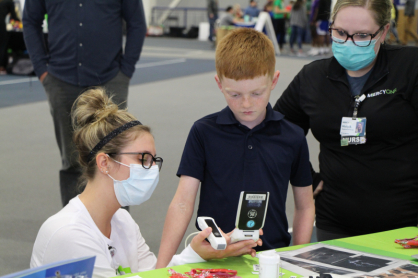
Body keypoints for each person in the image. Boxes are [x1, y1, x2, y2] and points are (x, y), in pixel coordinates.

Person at [30, 88, 261, 278]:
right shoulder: (70, 234)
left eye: (153, 160)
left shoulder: (121, 220)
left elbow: (154, 274)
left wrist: (197, 253)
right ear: (104, 163)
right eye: (143, 159)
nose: (151, 169)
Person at [157, 28, 315, 268]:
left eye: (257, 92)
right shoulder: (203, 132)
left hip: (272, 258)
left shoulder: (292, 136)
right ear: (219, 84)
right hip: (212, 257)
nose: (247, 103)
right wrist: (161, 267)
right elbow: (182, 202)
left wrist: (300, 260)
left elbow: (304, 206)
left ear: (274, 80)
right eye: (234, 94)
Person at [274, 0, 418, 241]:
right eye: (340, 33)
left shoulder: (410, 67)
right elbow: (277, 132)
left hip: (406, 228)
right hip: (335, 222)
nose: (348, 42)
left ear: (383, 32)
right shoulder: (313, 77)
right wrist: (306, 177)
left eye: (362, 35)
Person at [22, 0, 147, 207]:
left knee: (115, 158)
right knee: (72, 161)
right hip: (61, 81)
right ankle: (74, 230)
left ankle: (117, 232)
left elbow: (137, 23)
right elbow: (30, 20)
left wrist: (126, 70)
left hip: (110, 80)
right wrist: (42, 69)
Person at [0, 0, 19, 75]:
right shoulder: (10, 2)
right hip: (0, 24)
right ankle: (1, 66)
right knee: (2, 45)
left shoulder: (2, 2)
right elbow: (13, 17)